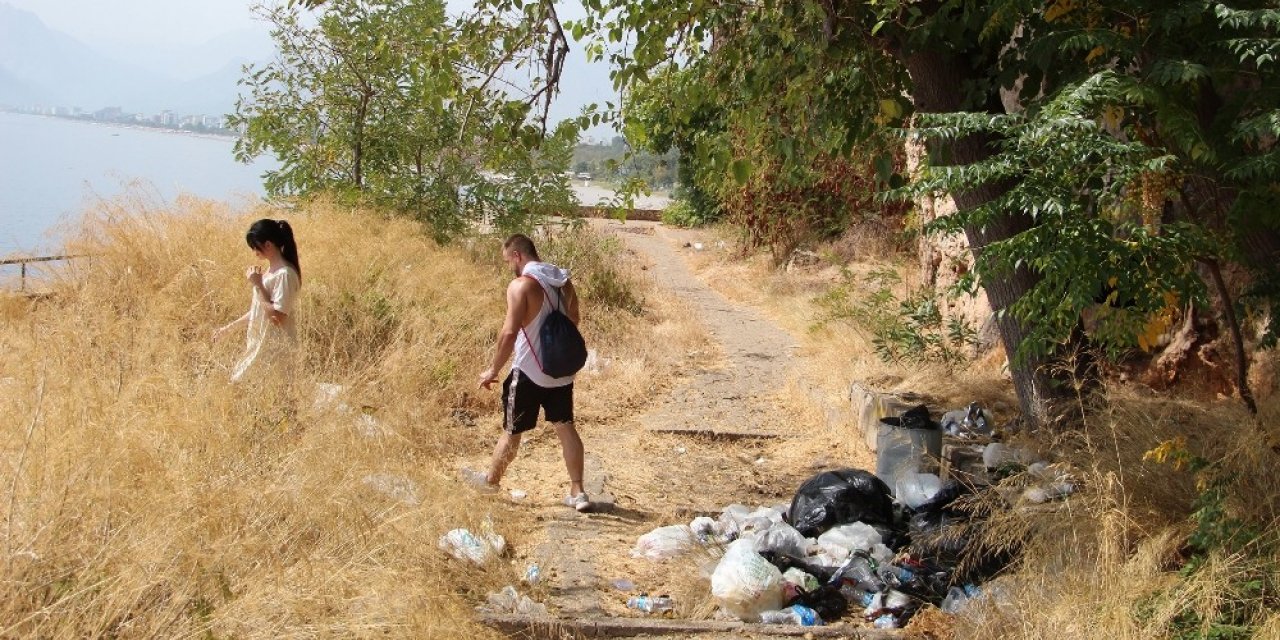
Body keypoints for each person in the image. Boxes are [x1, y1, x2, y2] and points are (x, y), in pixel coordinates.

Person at [466, 233, 590, 512]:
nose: (509, 266)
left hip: (528, 371)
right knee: (565, 427)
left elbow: (509, 332)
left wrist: (492, 370)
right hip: (560, 371)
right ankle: (578, 491)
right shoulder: (563, 281)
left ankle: (490, 483)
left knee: (512, 432)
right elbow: (574, 319)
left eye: (508, 260)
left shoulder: (520, 286)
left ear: (518, 255)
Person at [213, 219, 302, 385]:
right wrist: (228, 329)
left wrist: (258, 284)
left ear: (268, 245)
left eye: (255, 246)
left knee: (238, 386)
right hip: (259, 345)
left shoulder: (285, 274)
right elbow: (258, 311)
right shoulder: (270, 273)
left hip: (274, 350)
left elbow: (278, 317)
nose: (254, 251)